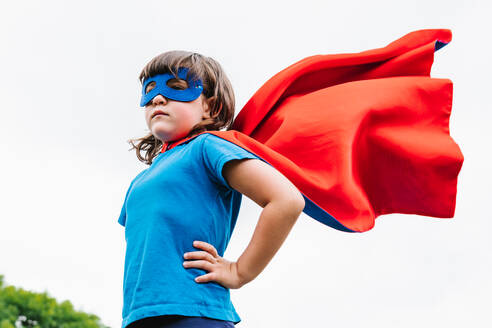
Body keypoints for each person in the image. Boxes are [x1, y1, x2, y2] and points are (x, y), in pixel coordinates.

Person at [118, 51, 305, 328]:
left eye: (177, 88)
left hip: (195, 313)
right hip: (139, 317)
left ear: (211, 108)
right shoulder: (141, 180)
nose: (157, 98)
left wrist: (240, 271)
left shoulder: (207, 146)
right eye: (149, 91)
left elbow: (287, 199)